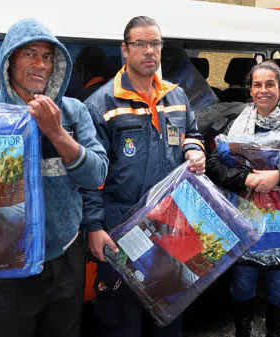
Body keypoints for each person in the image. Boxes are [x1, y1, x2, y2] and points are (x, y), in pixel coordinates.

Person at [0, 18, 108, 337]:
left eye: (47, 57)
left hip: (64, 256)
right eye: (29, 54)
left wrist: (56, 132)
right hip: (5, 265)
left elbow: (96, 174)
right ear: (9, 59)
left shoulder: (73, 112)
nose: (40, 64)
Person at [82, 15, 206, 337]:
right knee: (122, 321)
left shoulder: (176, 97)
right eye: (141, 44)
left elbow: (192, 132)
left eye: (155, 44)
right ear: (125, 50)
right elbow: (90, 175)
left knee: (168, 315)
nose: (150, 50)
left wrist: (195, 150)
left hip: (171, 226)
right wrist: (94, 226)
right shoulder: (102, 104)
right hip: (122, 227)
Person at [206, 60, 280, 337]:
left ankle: (276, 333)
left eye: (270, 84)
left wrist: (279, 176)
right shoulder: (236, 124)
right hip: (246, 221)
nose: (263, 90)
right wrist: (244, 179)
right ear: (250, 90)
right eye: (257, 85)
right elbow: (215, 164)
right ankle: (243, 331)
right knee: (242, 283)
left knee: (279, 286)